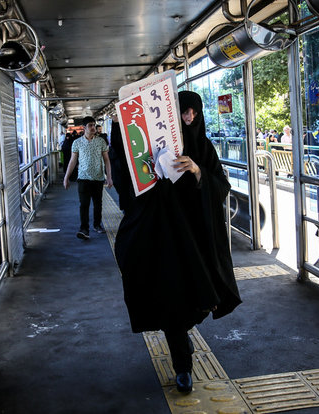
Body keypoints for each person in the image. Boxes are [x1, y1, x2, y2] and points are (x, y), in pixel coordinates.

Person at [114, 91, 242, 393]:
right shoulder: (151, 148)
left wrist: (197, 171)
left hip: (197, 241)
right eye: (184, 113)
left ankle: (182, 346)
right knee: (173, 302)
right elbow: (127, 179)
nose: (190, 118)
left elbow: (221, 186)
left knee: (192, 302)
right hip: (163, 237)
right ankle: (183, 365)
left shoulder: (204, 147)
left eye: (194, 113)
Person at [63, 116, 113, 240]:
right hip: (83, 178)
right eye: (90, 125)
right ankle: (84, 228)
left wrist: (109, 177)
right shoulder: (77, 143)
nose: (93, 127)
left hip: (98, 178)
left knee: (98, 204)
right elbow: (72, 161)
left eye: (94, 125)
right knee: (84, 204)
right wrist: (66, 177)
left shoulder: (101, 141)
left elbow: (107, 160)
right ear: (84, 128)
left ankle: (97, 224)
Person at [108, 114, 133, 212]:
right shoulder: (121, 142)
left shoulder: (115, 147)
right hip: (125, 169)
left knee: (125, 191)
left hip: (121, 170)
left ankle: (127, 209)